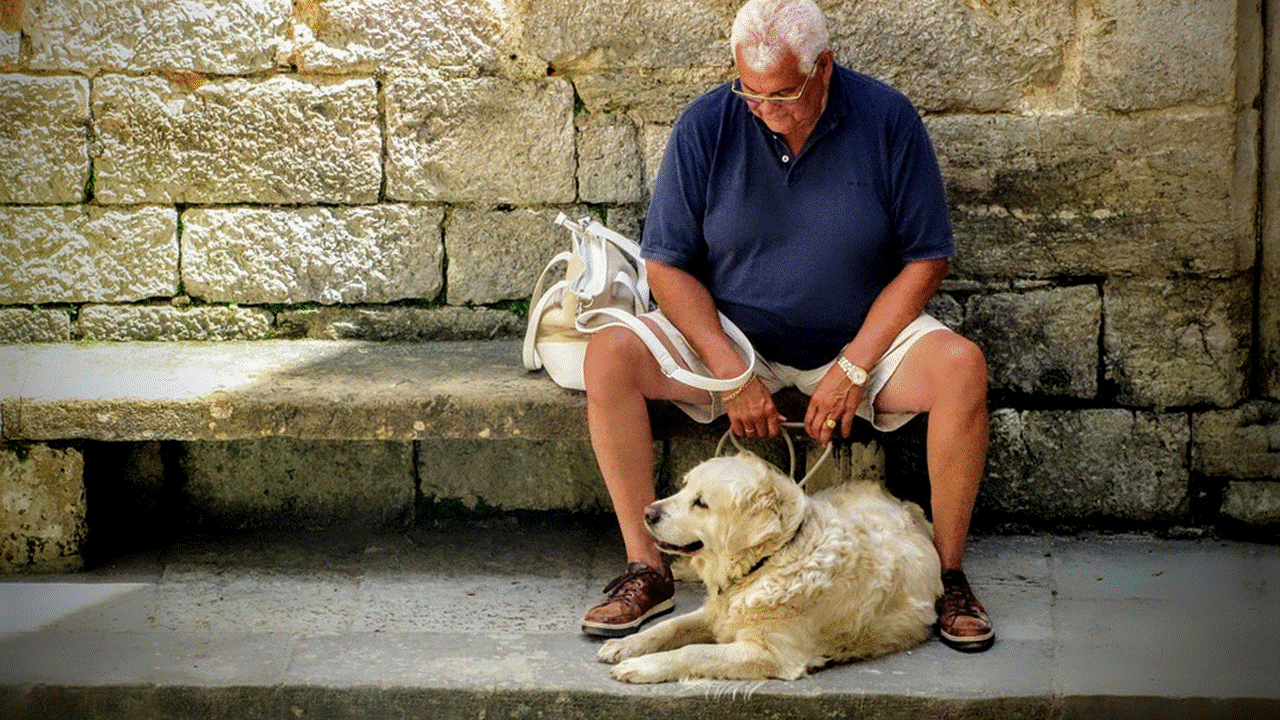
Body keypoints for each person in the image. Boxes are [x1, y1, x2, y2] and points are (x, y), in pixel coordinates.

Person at [579, 0, 995, 653]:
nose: (763, 109)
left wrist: (856, 365)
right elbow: (665, 264)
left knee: (962, 369)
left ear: (823, 67)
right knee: (608, 357)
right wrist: (729, 367)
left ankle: (948, 576)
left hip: (861, 339)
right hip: (735, 338)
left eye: (781, 95)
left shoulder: (887, 119)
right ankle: (647, 569)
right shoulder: (709, 123)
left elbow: (926, 258)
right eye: (750, 91)